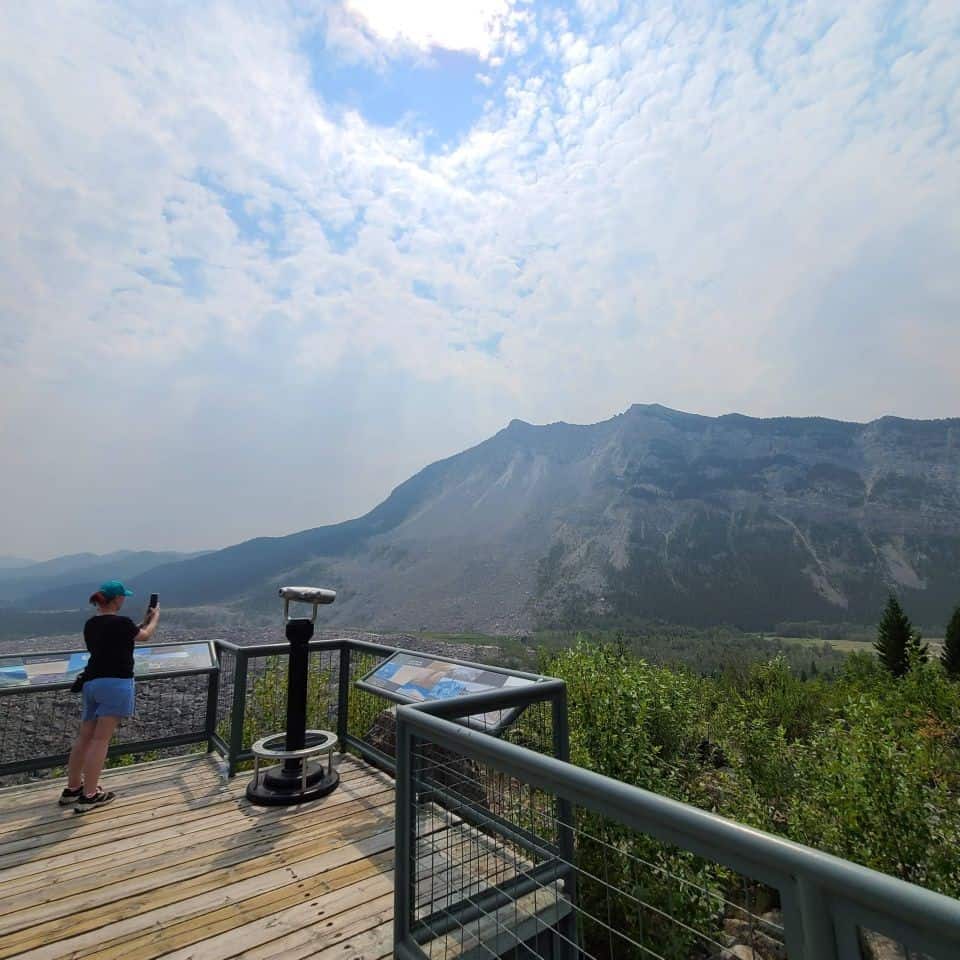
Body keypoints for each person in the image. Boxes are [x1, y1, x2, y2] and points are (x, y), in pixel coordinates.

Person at [60, 580, 160, 813]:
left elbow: (122, 635)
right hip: (116, 683)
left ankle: (73, 788)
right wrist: (155, 618)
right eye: (122, 597)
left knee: (85, 737)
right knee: (100, 740)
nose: (124, 599)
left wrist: (142, 623)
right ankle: (91, 794)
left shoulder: (91, 624)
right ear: (116, 599)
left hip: (91, 682)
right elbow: (143, 636)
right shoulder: (122, 623)